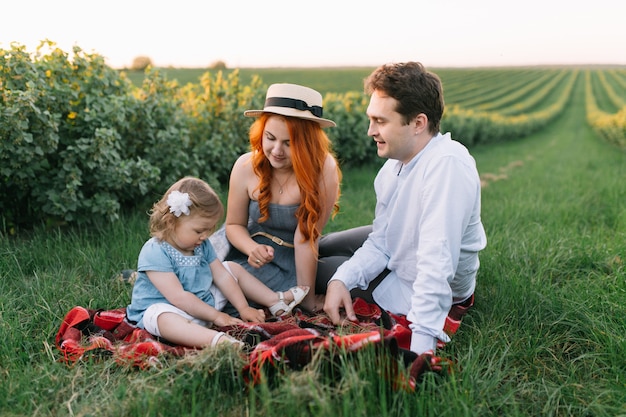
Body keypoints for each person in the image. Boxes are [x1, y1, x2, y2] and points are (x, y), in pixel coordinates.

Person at [323, 62, 488, 356]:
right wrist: (343, 280)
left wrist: (422, 347)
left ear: (418, 123)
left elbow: (436, 263)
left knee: (319, 270)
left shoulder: (446, 167)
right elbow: (382, 240)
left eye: (380, 121)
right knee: (324, 248)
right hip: (400, 249)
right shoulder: (391, 169)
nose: (370, 131)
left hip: (412, 285)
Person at [126, 176, 309, 348]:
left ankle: (275, 301)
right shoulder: (155, 250)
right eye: (199, 231)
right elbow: (179, 297)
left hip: (203, 305)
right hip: (172, 312)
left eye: (209, 229)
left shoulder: (201, 245)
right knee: (158, 315)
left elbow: (221, 276)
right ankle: (216, 341)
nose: (205, 236)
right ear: (171, 222)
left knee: (231, 268)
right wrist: (217, 316)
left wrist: (243, 307)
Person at [223, 83, 342, 312]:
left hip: (302, 256)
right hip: (252, 257)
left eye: (289, 143)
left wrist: (305, 298)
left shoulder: (323, 168)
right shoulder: (245, 166)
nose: (277, 150)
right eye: (270, 138)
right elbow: (233, 225)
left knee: (356, 269)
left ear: (308, 144)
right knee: (220, 287)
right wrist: (250, 248)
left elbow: (306, 237)